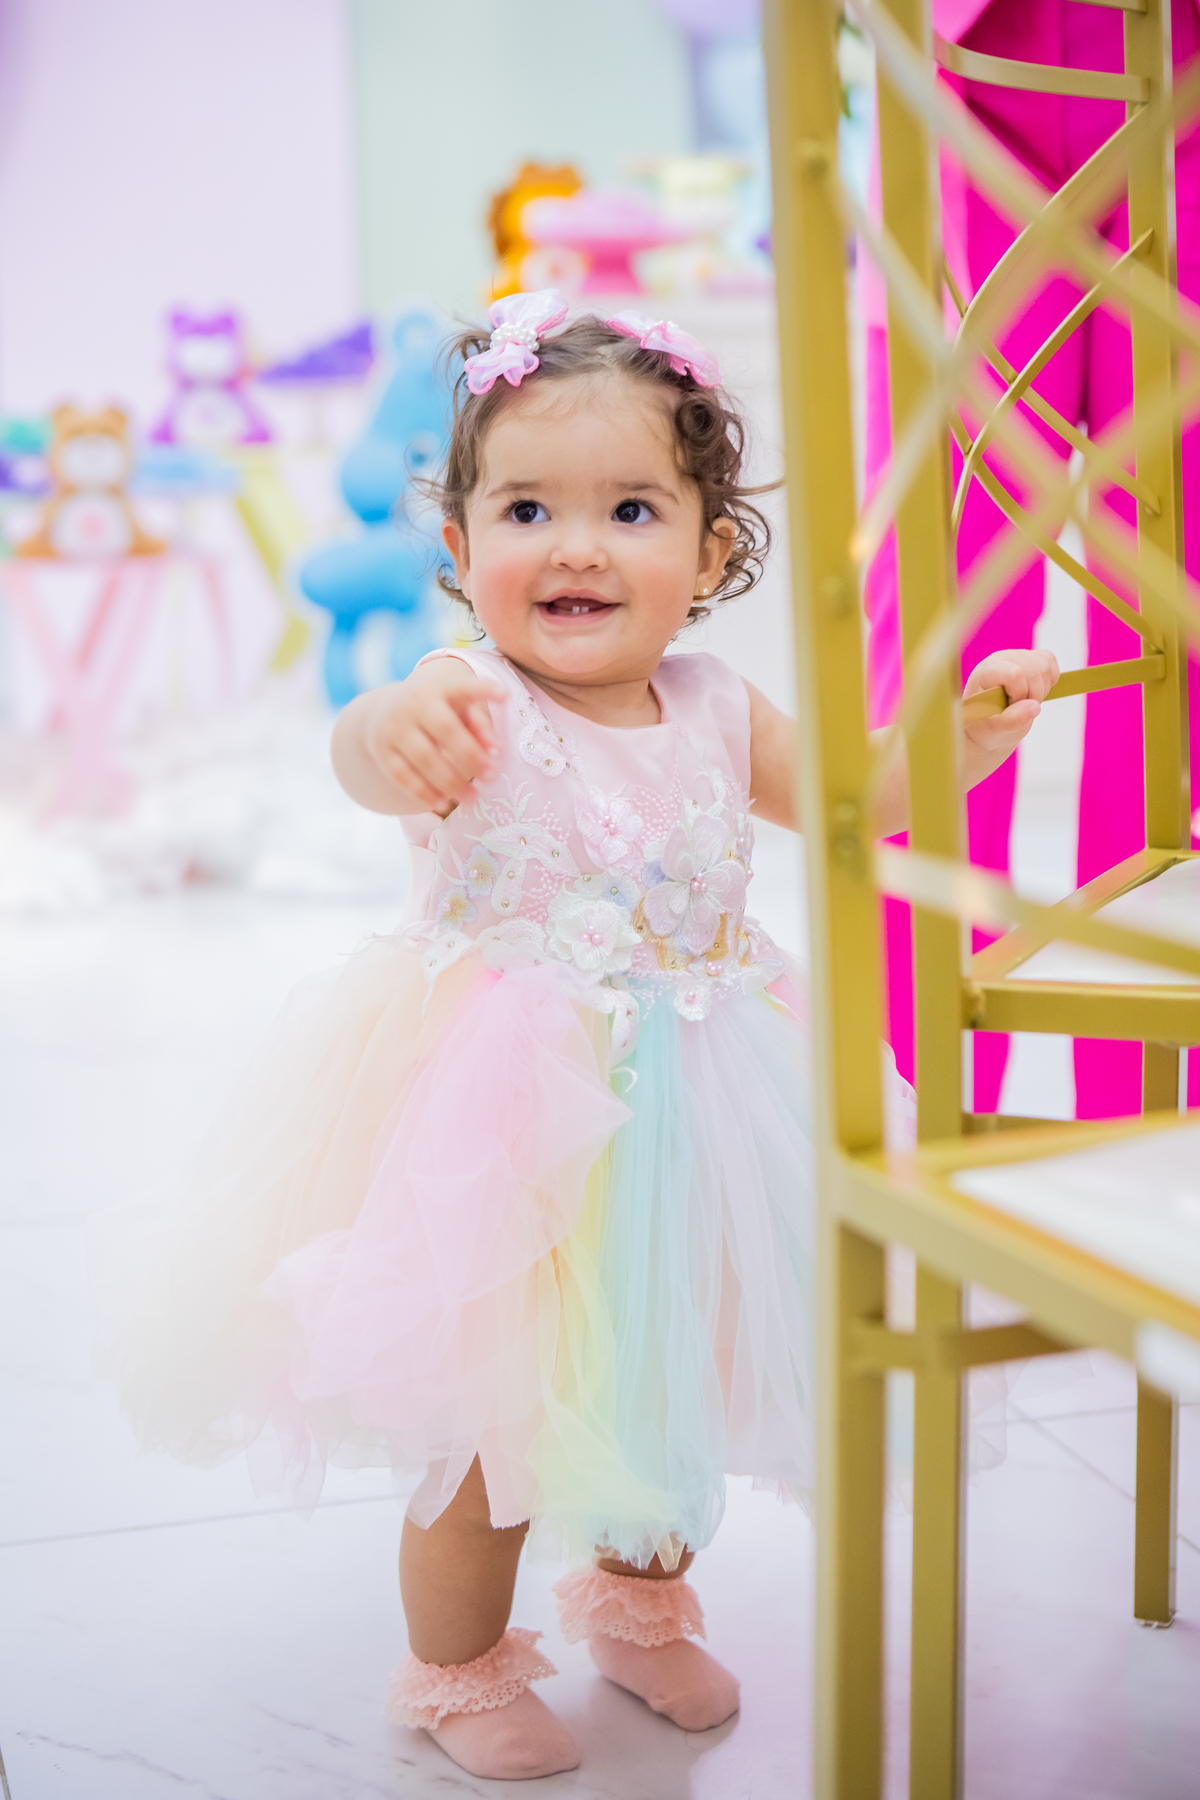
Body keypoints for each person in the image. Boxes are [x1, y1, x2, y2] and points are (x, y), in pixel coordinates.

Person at [99, 291, 1056, 1782]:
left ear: (712, 553)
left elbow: (858, 793)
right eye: (527, 508)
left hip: (706, 1094)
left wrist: (965, 740)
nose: (577, 547)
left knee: (670, 1366)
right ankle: (456, 1666)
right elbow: (364, 750)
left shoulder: (719, 705)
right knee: (487, 1410)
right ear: (459, 542)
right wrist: (382, 735)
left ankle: (637, 1601)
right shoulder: (465, 695)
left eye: (631, 509)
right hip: (499, 1126)